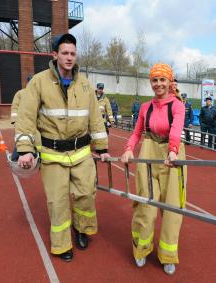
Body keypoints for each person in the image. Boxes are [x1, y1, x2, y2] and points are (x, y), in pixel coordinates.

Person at [15, 33, 110, 262]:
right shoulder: (38, 82)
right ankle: (61, 244)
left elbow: (95, 118)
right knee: (57, 202)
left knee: (87, 194)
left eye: (72, 53)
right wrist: (25, 148)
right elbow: (26, 117)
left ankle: (82, 229)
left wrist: (102, 146)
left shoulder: (85, 85)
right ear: (55, 55)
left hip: (81, 153)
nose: (69, 57)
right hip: (53, 154)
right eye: (65, 53)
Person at [121, 63, 186, 275]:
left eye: (162, 80)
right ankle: (141, 249)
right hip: (149, 152)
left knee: (173, 208)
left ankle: (168, 255)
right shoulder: (145, 108)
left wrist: (173, 151)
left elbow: (176, 129)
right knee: (145, 206)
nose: (158, 84)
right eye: (154, 80)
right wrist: (129, 149)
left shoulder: (177, 105)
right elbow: (137, 132)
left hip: (172, 155)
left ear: (169, 82)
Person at [10, 74, 34, 161]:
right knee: (22, 139)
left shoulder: (39, 93)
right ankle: (17, 156)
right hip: (22, 122)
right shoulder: (20, 93)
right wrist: (14, 121)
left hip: (34, 122)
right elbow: (15, 107)